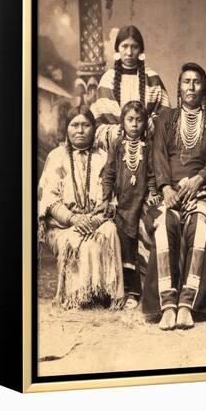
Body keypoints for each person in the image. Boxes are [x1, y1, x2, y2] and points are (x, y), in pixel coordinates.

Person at [142, 63, 206, 330]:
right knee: (165, 225)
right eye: (186, 81)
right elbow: (158, 156)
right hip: (170, 193)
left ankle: (188, 304)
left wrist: (199, 179)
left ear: (204, 88)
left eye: (197, 82)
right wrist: (166, 188)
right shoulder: (167, 118)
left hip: (201, 192)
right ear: (179, 87)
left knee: (200, 224)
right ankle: (167, 305)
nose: (191, 86)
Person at [37, 106, 124, 309]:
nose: (80, 130)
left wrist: (95, 220)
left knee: (110, 231)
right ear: (66, 129)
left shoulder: (104, 157)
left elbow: (111, 197)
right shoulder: (56, 157)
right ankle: (80, 295)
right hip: (64, 225)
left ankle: (106, 292)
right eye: (74, 125)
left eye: (86, 125)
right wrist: (74, 219)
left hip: (97, 220)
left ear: (94, 129)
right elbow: (50, 200)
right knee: (77, 239)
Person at [98, 101, 160, 310]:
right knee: (123, 246)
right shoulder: (116, 145)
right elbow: (109, 174)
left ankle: (136, 291)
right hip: (122, 204)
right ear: (122, 122)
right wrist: (106, 198)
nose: (134, 125)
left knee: (138, 246)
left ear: (145, 123)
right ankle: (120, 290)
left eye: (139, 120)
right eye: (130, 120)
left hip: (140, 202)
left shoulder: (149, 146)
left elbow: (152, 174)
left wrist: (152, 193)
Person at [90, 25, 171, 149]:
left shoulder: (152, 78)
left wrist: (147, 126)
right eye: (124, 46)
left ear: (141, 50)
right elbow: (97, 120)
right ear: (117, 49)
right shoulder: (108, 79)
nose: (129, 52)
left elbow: (165, 117)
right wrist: (120, 132)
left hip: (148, 146)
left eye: (134, 47)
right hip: (114, 148)